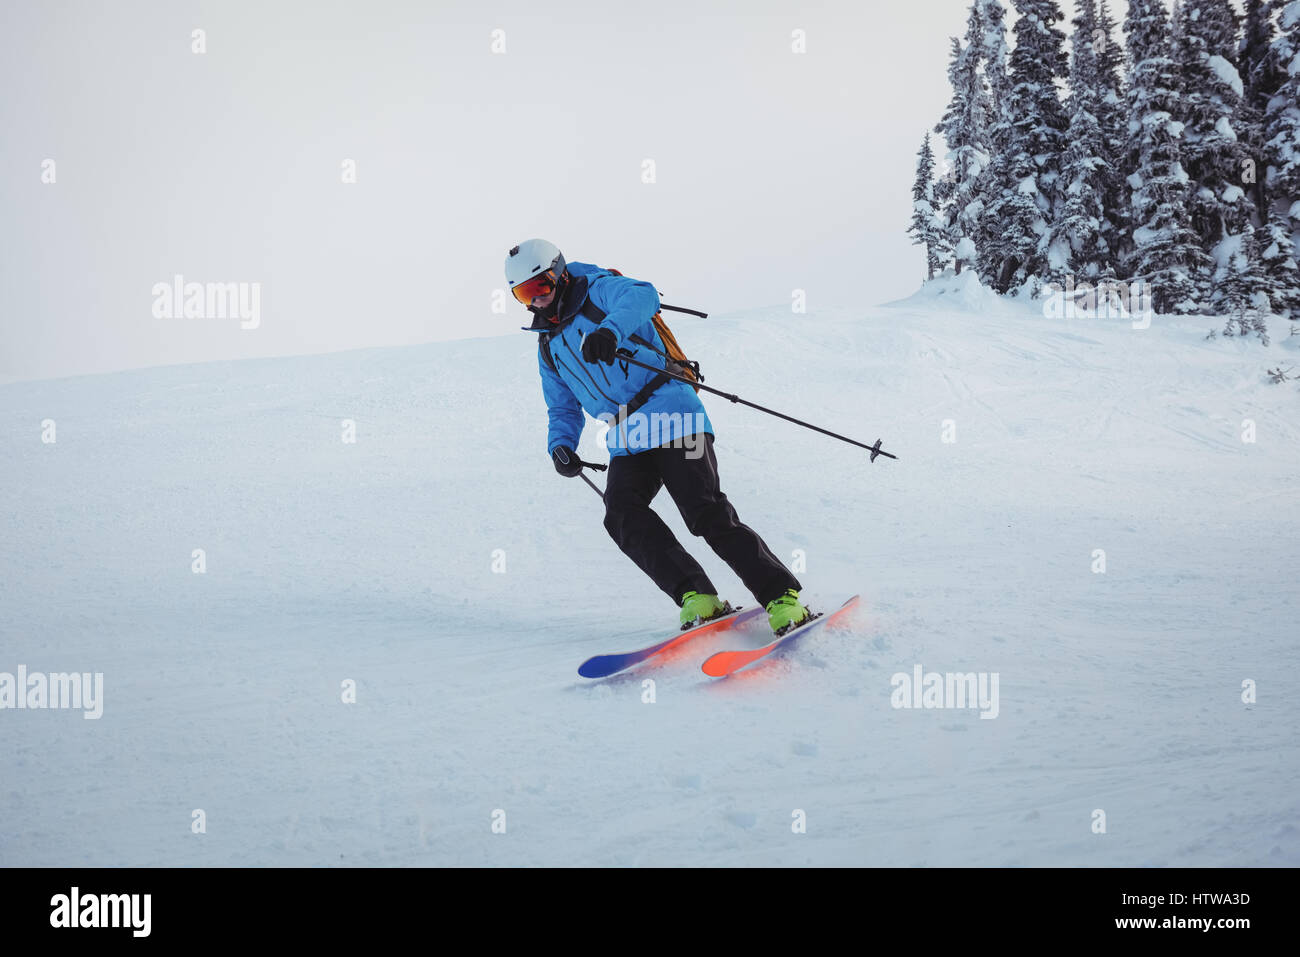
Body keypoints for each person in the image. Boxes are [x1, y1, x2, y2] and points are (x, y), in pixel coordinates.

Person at [505, 238, 810, 635]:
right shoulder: (549, 345)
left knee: (703, 511)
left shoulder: (598, 288)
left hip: (673, 412)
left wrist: (610, 331)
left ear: (560, 273)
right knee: (621, 515)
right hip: (626, 434)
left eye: (540, 286)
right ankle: (698, 596)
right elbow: (562, 405)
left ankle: (781, 598)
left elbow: (643, 295)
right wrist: (560, 445)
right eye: (523, 294)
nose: (536, 300)